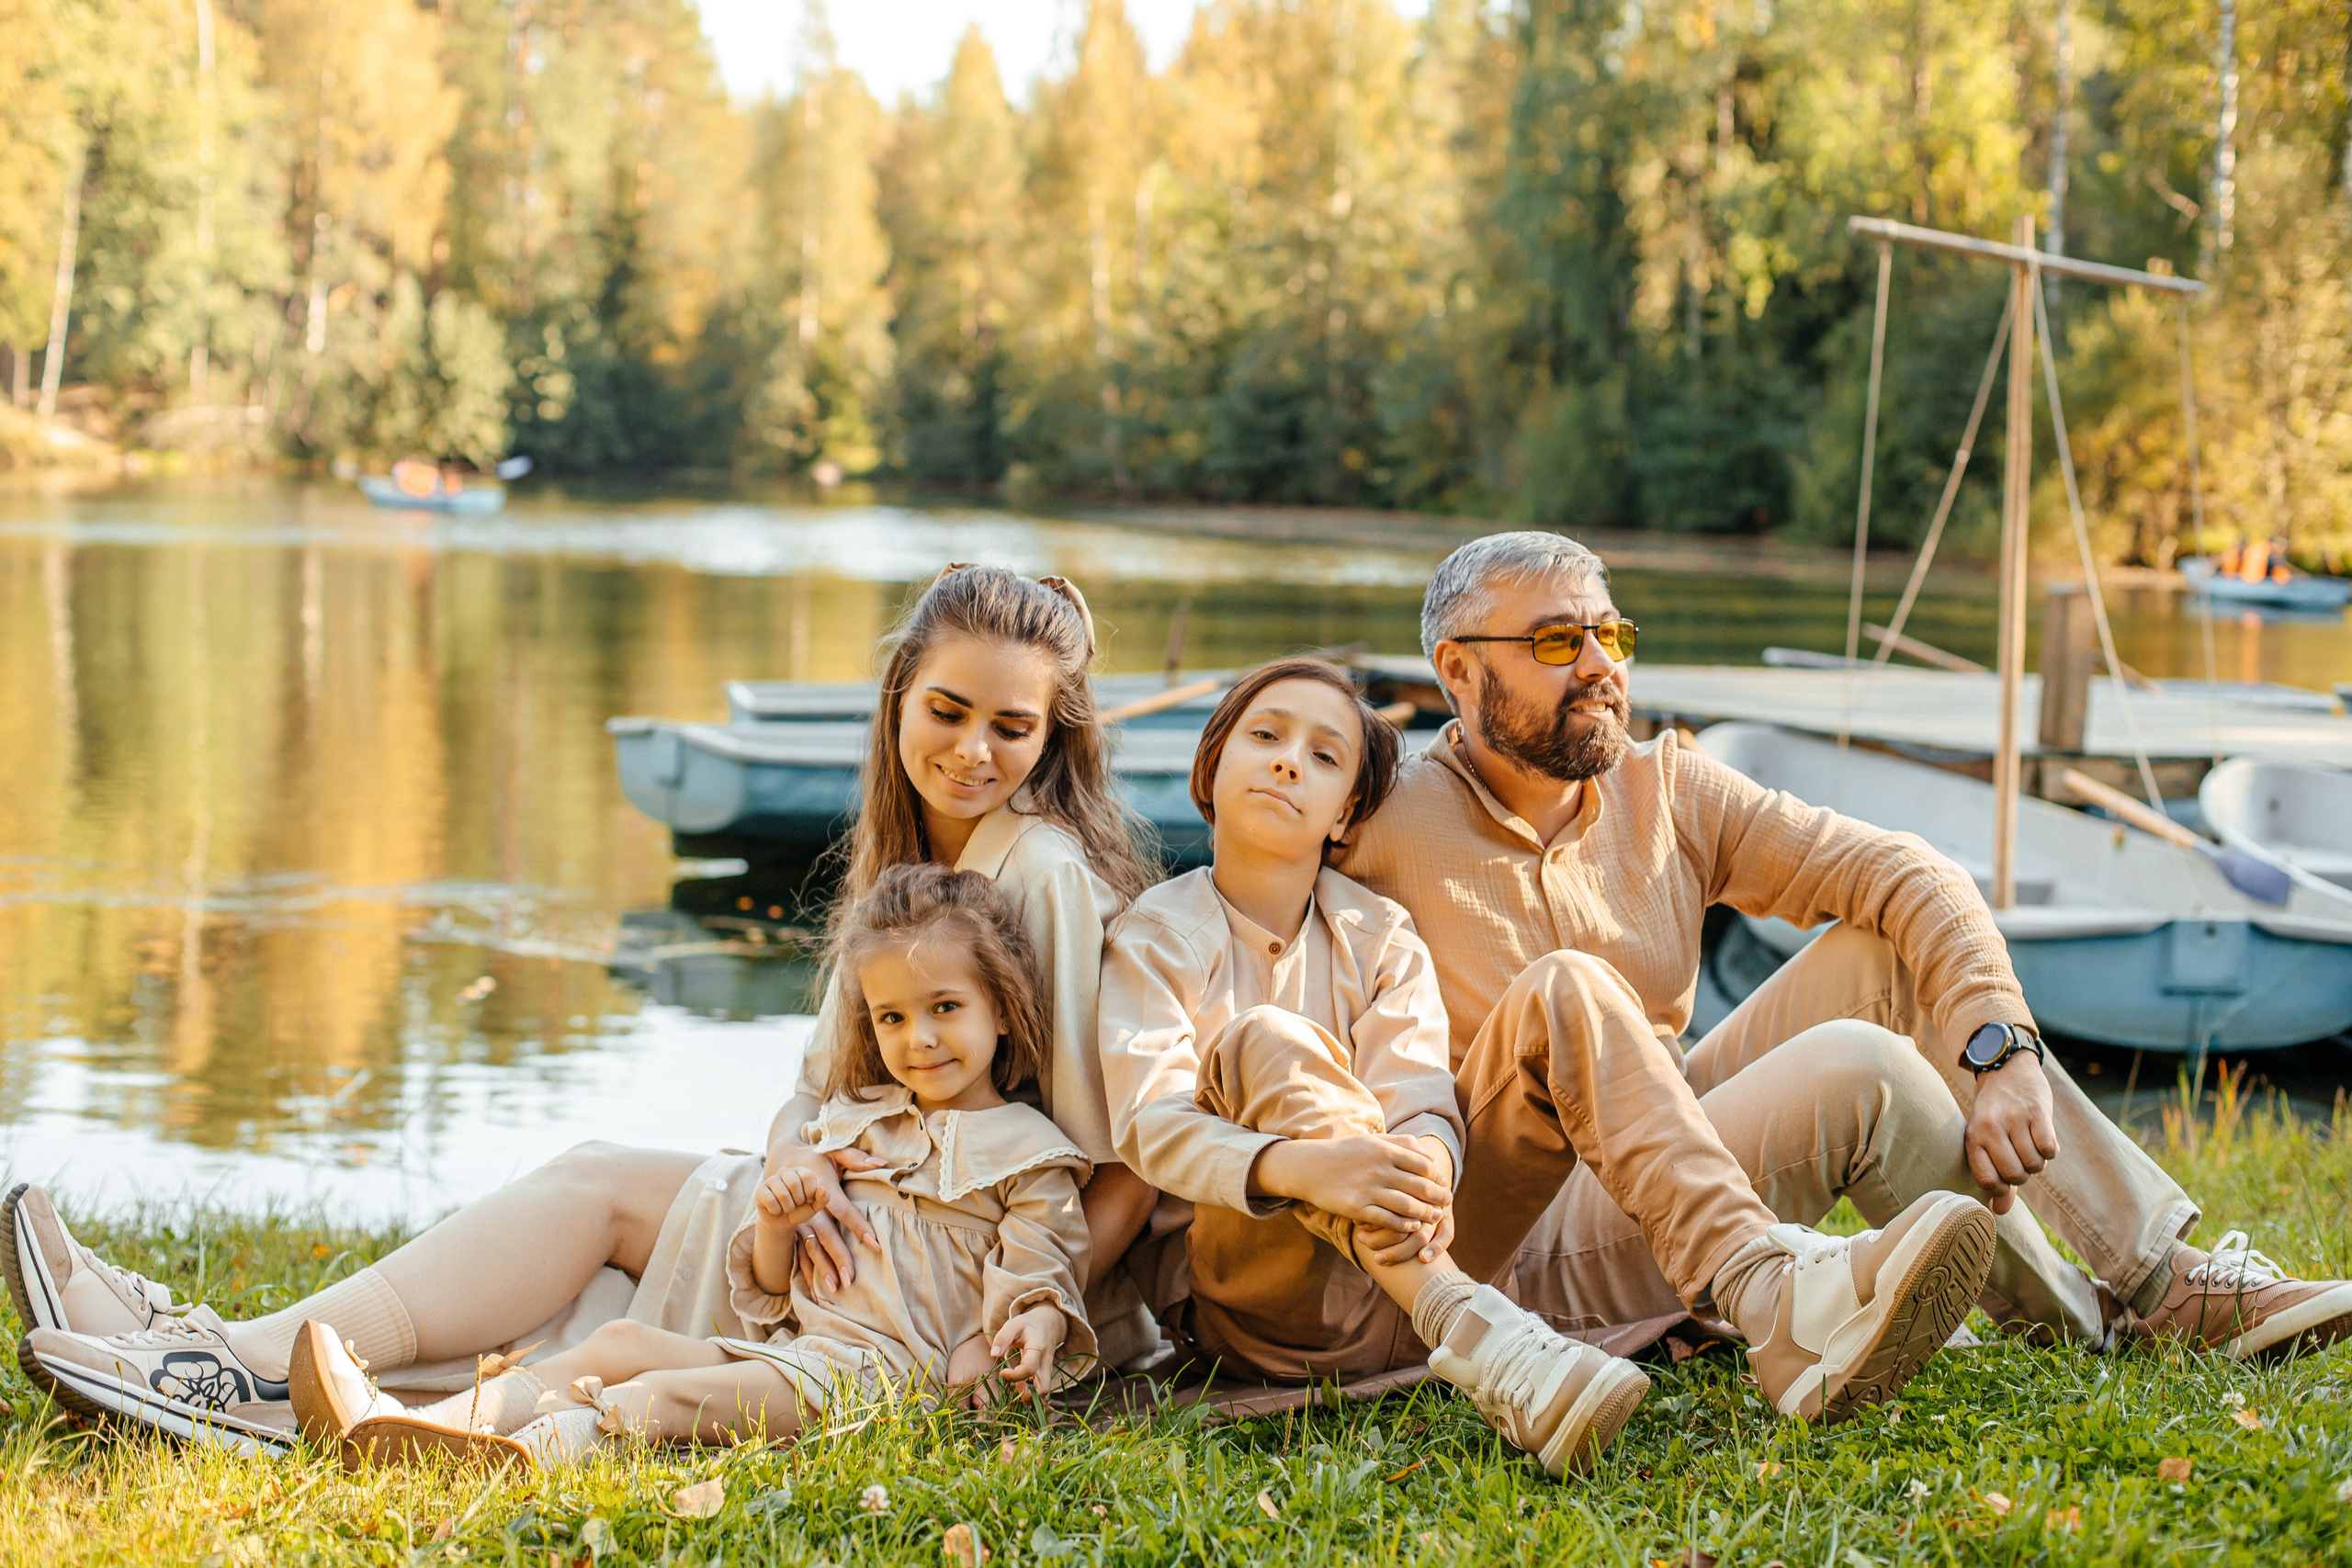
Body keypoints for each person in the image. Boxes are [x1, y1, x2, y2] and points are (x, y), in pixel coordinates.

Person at [9, 565, 1162, 1446]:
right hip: (843, 1228)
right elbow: (815, 1094)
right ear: (899, 698)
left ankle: (235, 1371)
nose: (973, 751)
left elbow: (1111, 1161)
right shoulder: (908, 862)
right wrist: (786, 1169)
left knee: (599, 1188)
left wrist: (1008, 1336)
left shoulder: (1042, 873)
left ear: (1052, 735)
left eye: (1012, 729)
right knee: (589, 1288)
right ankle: (225, 1364)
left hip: (933, 1285)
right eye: (948, 712)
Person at [1335, 530, 2352, 1360]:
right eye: (1558, 643)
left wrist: (2001, 1051)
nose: (1603, 666)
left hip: (1673, 1150)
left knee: (1880, 957)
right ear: (1457, 670)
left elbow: (1907, 871)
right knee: (1860, 1069)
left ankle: (2154, 1280)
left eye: (1613, 634)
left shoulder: (1666, 788)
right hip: (1512, 1232)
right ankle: (2089, 1318)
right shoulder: (1375, 819)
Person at [1099, 658, 1996, 1477]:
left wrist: (1426, 1163)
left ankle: (1764, 1289)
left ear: (1345, 817)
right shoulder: (1153, 936)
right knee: (1265, 1040)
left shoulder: (1379, 935)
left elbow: (1416, 1089)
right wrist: (1305, 1166)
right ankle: (1476, 1329)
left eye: (1323, 755)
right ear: (1206, 771)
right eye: (1264, 736)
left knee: (1567, 982)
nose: (1289, 760)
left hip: (1412, 1258)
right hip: (1266, 1303)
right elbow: (1151, 1123)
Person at [285, 866, 1093, 1470]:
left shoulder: (1028, 1154)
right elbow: (775, 1288)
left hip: (881, 1388)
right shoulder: (858, 1128)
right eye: (893, 1016)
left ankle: (523, 1460)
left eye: (944, 1007)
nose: (919, 1037)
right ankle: (440, 1422)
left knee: (658, 1398)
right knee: (624, 1340)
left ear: (999, 1000)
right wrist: (777, 1221)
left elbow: (1041, 1272)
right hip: (799, 1357)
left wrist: (1028, 1327)